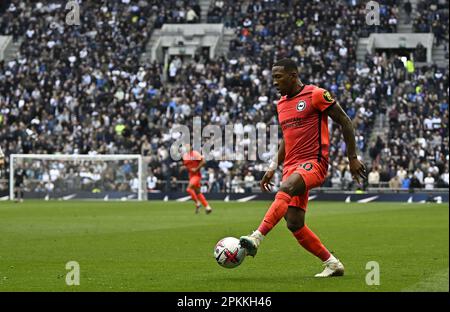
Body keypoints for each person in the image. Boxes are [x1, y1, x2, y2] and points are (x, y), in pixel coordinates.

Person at [239, 58, 367, 278]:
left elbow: (345, 121)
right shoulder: (281, 104)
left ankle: (256, 237)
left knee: (286, 188)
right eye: (273, 78)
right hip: (291, 166)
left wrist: (352, 157)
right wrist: (273, 166)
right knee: (294, 223)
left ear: (293, 75)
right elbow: (287, 139)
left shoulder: (316, 95)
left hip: (314, 163)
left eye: (279, 77)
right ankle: (333, 263)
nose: (275, 82)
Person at [182, 144, 212, 214]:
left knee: (189, 189)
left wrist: (196, 169)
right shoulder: (185, 156)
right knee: (198, 192)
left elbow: (203, 161)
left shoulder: (195, 154)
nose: (186, 148)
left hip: (196, 175)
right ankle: (207, 207)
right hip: (191, 175)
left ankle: (197, 203)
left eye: (188, 146)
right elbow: (188, 166)